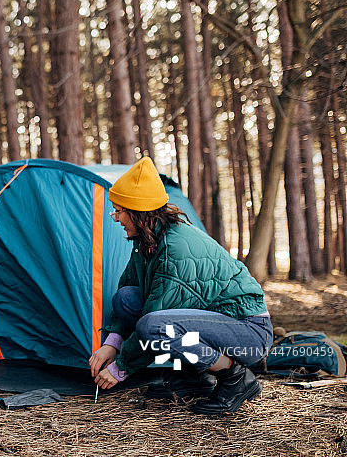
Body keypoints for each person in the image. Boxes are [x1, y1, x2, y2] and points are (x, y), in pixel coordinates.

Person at [88, 157, 272, 415]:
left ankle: (236, 378)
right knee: (127, 298)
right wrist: (113, 341)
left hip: (247, 333)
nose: (115, 218)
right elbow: (129, 286)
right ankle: (191, 376)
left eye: (118, 211)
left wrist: (120, 367)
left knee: (153, 327)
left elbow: (156, 320)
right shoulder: (149, 240)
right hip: (213, 323)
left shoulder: (177, 249)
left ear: (138, 213)